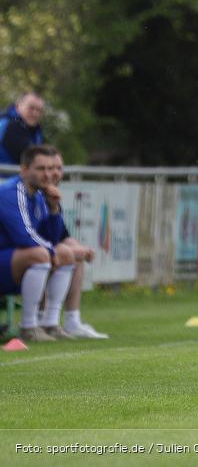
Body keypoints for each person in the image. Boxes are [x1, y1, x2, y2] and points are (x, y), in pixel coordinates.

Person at [0, 145, 75, 342]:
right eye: (41, 169)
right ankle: (28, 327)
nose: (48, 174)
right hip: (6, 258)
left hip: (11, 261)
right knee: (41, 254)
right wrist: (50, 252)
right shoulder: (11, 192)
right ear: (24, 170)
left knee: (66, 253)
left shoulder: (41, 195)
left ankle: (50, 323)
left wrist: (54, 208)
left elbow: (52, 239)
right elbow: (24, 237)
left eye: (51, 169)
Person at [37, 150, 108, 339]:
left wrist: (78, 248)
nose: (55, 173)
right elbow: (34, 235)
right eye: (49, 168)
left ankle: (72, 320)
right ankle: (44, 319)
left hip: (41, 250)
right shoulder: (33, 196)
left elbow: (60, 234)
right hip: (25, 254)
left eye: (59, 168)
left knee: (73, 248)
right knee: (66, 253)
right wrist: (71, 250)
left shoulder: (52, 198)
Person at [0, 92, 46, 165]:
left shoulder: (34, 129)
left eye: (39, 110)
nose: (35, 114)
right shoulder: (11, 125)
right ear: (18, 106)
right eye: (31, 108)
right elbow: (33, 157)